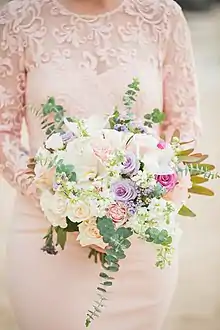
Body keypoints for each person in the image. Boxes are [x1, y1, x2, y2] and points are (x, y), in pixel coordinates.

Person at [0, 0, 202, 329]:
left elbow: (183, 123)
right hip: (47, 234)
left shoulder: (163, 15)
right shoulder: (18, 19)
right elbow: (3, 132)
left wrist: (152, 186)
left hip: (138, 238)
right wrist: (54, 194)